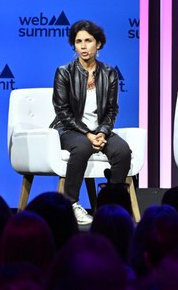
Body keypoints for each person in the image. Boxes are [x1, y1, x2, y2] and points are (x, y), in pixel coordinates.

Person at [50, 20, 132, 225]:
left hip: (99, 130)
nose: (83, 46)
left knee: (122, 151)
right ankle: (71, 203)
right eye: (78, 42)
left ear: (99, 44)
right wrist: (88, 134)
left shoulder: (109, 73)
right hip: (69, 129)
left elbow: (112, 110)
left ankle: (111, 207)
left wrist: (103, 133)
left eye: (88, 41)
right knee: (82, 146)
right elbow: (62, 111)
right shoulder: (64, 72)